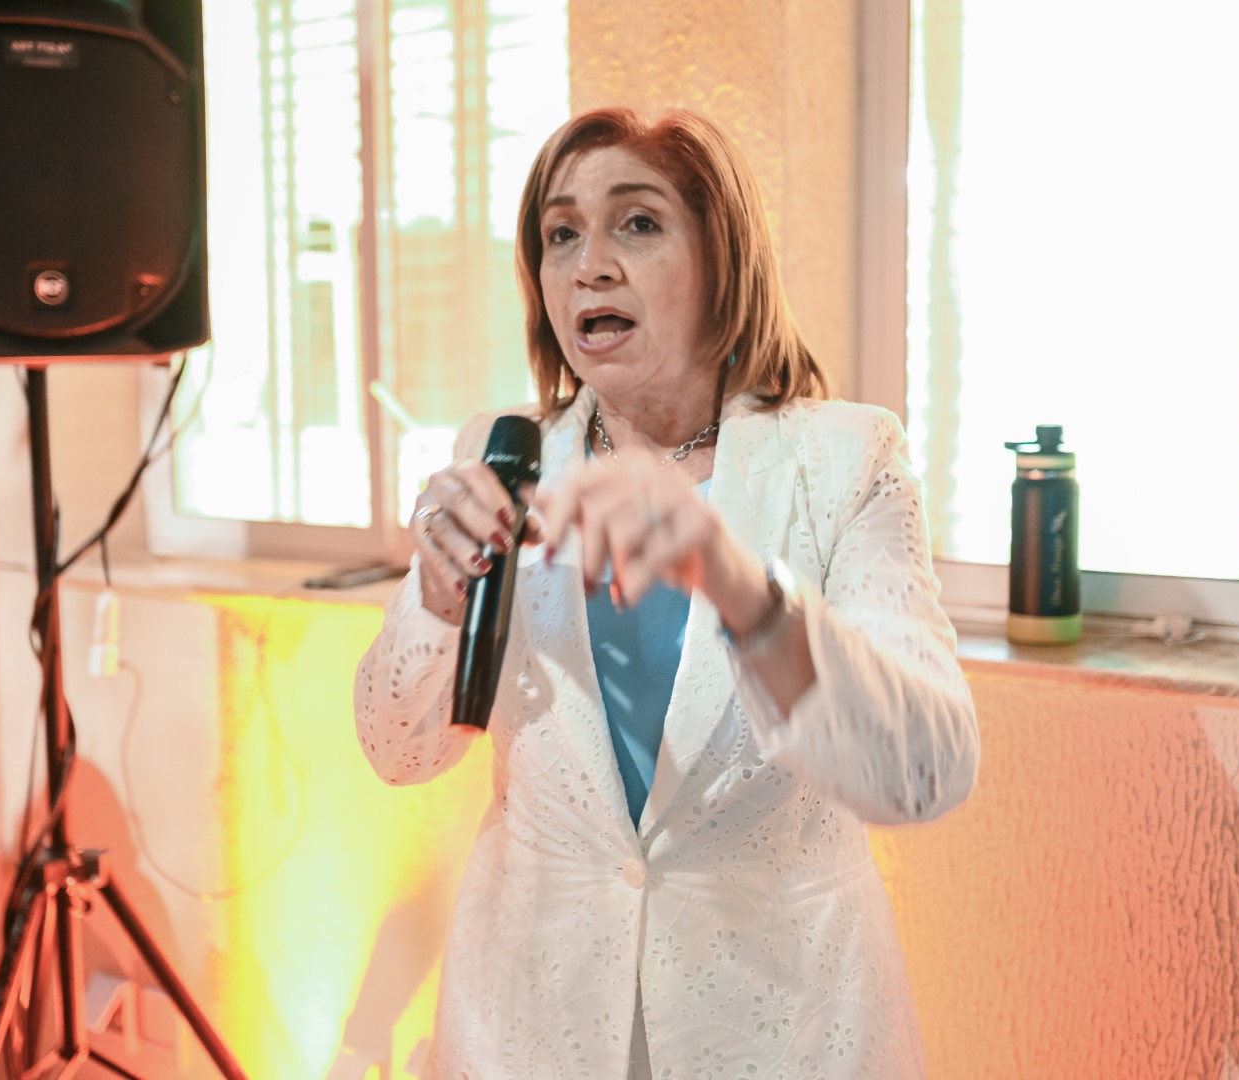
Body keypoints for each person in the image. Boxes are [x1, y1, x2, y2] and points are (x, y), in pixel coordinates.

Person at [353, 106, 979, 1079]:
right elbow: (398, 751)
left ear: (721, 259)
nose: (589, 266)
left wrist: (734, 581)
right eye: (561, 234)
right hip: (530, 1022)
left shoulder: (846, 459)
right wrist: (434, 601)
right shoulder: (504, 453)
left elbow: (924, 772)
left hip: (780, 1027)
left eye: (636, 223)